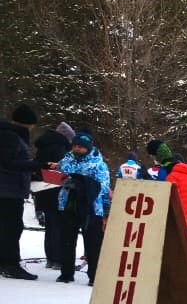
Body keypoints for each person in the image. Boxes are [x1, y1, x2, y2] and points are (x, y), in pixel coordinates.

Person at [0, 104, 53, 280]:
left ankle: (7, 262)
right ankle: (10, 264)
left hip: (11, 188)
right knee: (12, 227)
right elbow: (8, 163)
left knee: (10, 227)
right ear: (26, 123)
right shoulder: (10, 136)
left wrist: (33, 170)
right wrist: (39, 165)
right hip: (8, 190)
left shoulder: (11, 135)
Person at [53, 133, 111, 285]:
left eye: (81, 147)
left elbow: (103, 186)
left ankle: (94, 275)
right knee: (66, 239)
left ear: (88, 148)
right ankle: (66, 273)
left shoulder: (98, 163)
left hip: (91, 207)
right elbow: (59, 173)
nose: (77, 149)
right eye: (75, 146)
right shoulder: (67, 158)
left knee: (92, 243)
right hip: (68, 203)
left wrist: (80, 184)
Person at [33, 122, 73, 268]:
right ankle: (58, 259)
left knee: (50, 224)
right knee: (59, 225)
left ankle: (50, 257)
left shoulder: (43, 146)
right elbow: (61, 170)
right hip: (55, 190)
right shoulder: (59, 148)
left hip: (43, 189)